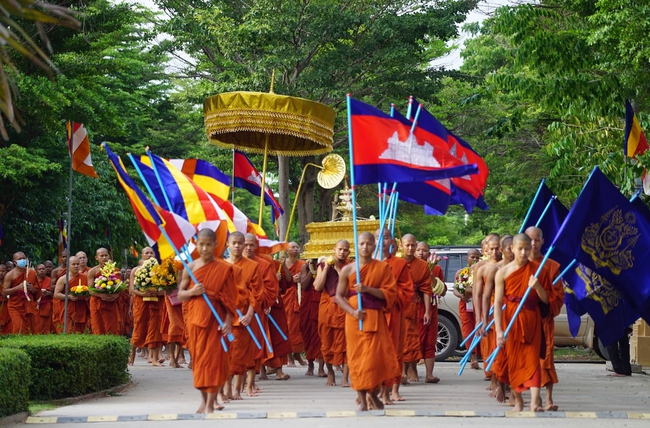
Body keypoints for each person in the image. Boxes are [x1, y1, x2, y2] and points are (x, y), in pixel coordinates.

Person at [336, 232, 400, 411]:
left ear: (375, 246)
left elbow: (390, 293)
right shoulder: (347, 270)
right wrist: (353, 312)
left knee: (373, 360)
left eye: (369, 244)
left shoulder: (382, 268)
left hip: (375, 318)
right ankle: (363, 400)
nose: (365, 247)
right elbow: (339, 297)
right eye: (362, 243)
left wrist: (368, 289)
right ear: (357, 245)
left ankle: (373, 393)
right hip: (354, 320)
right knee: (357, 360)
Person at [178, 228, 237, 414]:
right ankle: (203, 400)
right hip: (196, 322)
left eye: (208, 244)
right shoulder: (191, 267)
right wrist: (192, 292)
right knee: (199, 362)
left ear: (215, 245)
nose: (204, 248)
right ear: (197, 244)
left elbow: (230, 300)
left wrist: (228, 321)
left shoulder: (224, 269)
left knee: (212, 362)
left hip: (215, 322)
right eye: (201, 244)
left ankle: (211, 403)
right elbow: (180, 294)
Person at [494, 233, 553, 412]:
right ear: (512, 248)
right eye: (520, 248)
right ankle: (518, 399)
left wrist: (537, 287)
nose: (523, 252)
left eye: (527, 249)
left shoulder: (537, 269)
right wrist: (498, 331)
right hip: (511, 318)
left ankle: (535, 401)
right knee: (514, 361)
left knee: (533, 360)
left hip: (532, 319)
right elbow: (497, 303)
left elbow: (546, 300)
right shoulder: (502, 272)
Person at [243, 234, 291, 383]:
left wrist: (264, 302)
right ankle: (244, 376)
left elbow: (271, 288)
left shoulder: (264, 264)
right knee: (241, 343)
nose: (248, 248)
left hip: (259, 307)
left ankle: (257, 376)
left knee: (260, 340)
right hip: (238, 309)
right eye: (246, 244)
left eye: (252, 245)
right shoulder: (232, 264)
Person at [525, 226, 562, 410]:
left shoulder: (552, 266)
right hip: (524, 320)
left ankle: (548, 399)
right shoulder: (518, 265)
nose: (533, 243)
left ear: (543, 241)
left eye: (537, 239)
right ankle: (534, 399)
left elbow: (556, 297)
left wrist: (538, 288)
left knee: (545, 359)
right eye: (529, 239)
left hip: (543, 319)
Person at [375, 229, 413, 404]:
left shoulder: (399, 264)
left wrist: (388, 294)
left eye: (386, 237)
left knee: (395, 351)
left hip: (394, 313)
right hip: (373, 313)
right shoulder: (367, 264)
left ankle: (394, 389)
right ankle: (376, 389)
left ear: (392, 241)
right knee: (375, 353)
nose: (382, 241)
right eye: (377, 237)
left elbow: (407, 290)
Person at [224, 232, 261, 399]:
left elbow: (257, 293)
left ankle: (237, 389)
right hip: (223, 317)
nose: (238, 246)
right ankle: (226, 389)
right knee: (225, 354)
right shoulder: (220, 265)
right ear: (228, 245)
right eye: (235, 243)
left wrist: (250, 314)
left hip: (241, 318)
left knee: (239, 354)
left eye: (241, 243)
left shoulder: (252, 266)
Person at [314, 239, 350, 387]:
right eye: (340, 249)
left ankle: (345, 377)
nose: (342, 252)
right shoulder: (323, 265)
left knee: (347, 342)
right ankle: (330, 373)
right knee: (326, 341)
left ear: (349, 252)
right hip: (327, 306)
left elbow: (348, 287)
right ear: (334, 250)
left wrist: (337, 269)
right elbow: (317, 286)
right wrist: (328, 268)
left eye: (345, 250)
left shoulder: (350, 266)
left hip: (344, 305)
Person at [415, 241, 446, 383]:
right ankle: (411, 371)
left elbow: (442, 290)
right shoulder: (408, 266)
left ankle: (429, 374)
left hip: (431, 308)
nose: (421, 252)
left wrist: (431, 276)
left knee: (430, 340)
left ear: (429, 253)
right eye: (418, 250)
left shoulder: (437, 268)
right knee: (414, 340)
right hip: (415, 308)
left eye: (425, 250)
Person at [452, 249, 481, 369]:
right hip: (466, 303)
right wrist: (461, 295)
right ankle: (473, 357)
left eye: (477, 258)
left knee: (479, 329)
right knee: (468, 330)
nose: (474, 260)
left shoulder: (483, 271)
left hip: (479, 303)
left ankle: (481, 355)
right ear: (467, 258)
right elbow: (455, 289)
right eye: (472, 257)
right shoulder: (461, 273)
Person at [129, 247, 158, 365]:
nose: (149, 255)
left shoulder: (160, 270)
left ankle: (154, 359)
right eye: (147, 253)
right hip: (140, 303)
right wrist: (143, 293)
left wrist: (157, 292)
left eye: (151, 253)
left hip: (156, 302)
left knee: (155, 329)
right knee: (139, 328)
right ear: (142, 255)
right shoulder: (135, 270)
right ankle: (132, 356)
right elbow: (131, 289)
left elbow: (166, 288)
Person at [299, 258, 325, 377]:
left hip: (321, 301)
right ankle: (310, 365)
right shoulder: (305, 266)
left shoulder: (326, 265)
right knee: (308, 333)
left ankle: (321, 368)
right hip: (308, 303)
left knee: (321, 335)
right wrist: (312, 270)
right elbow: (304, 285)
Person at [283, 242, 306, 367]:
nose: (296, 249)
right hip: (285, 297)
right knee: (287, 327)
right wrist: (291, 278)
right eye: (293, 247)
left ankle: (297, 354)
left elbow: (307, 280)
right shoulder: (283, 264)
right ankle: (290, 357)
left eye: (297, 247)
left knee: (297, 328)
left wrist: (300, 279)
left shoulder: (302, 264)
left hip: (298, 297)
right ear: (287, 250)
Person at [2, 252, 37, 334]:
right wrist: (17, 288)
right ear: (14, 262)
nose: (22, 260)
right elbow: (4, 292)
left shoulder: (31, 272)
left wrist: (32, 289)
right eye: (19, 259)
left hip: (28, 304)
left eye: (24, 258)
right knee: (18, 327)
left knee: (30, 329)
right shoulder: (10, 275)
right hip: (15, 306)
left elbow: (37, 291)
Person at [54, 256, 89, 333]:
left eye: (77, 264)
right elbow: (56, 294)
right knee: (69, 329)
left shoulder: (85, 277)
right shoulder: (63, 279)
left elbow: (89, 292)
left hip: (82, 307)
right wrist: (69, 297)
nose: (76, 266)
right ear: (68, 265)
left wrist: (87, 296)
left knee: (82, 331)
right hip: (68, 308)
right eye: (73, 264)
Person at [33, 263, 54, 334]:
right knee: (36, 323)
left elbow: (54, 294)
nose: (42, 271)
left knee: (47, 324)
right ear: (36, 271)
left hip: (47, 305)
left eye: (43, 269)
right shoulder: (33, 280)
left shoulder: (49, 280)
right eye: (39, 269)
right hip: (36, 305)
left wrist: (48, 293)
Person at [0, 264, 11, 334]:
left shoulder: (9, 282)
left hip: (8, 306)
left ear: (7, 272)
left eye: (3, 271)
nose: (1, 273)